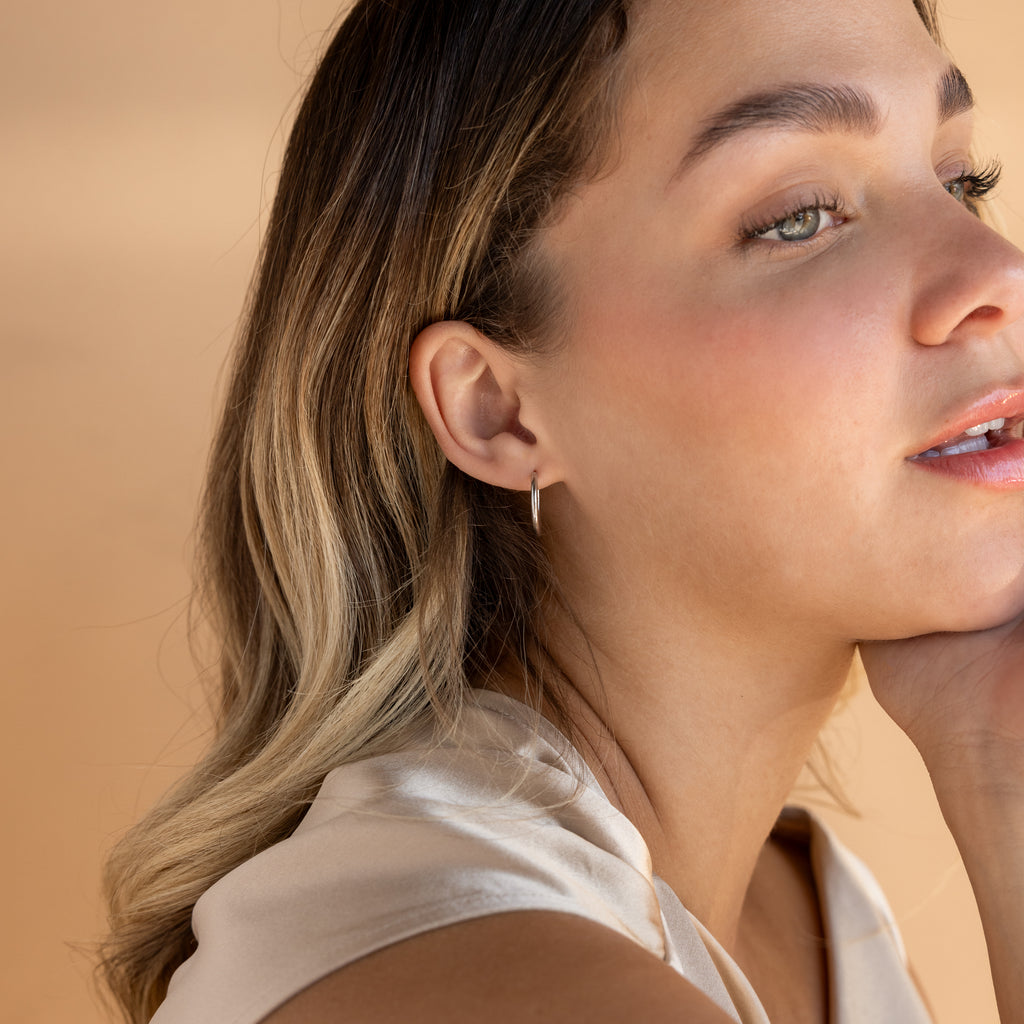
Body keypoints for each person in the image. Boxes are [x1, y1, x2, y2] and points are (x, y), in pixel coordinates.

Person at [99, 0, 1024, 1021]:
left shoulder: (806, 909)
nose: (996, 273)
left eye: (960, 181)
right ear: (496, 409)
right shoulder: (465, 962)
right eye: (798, 215)